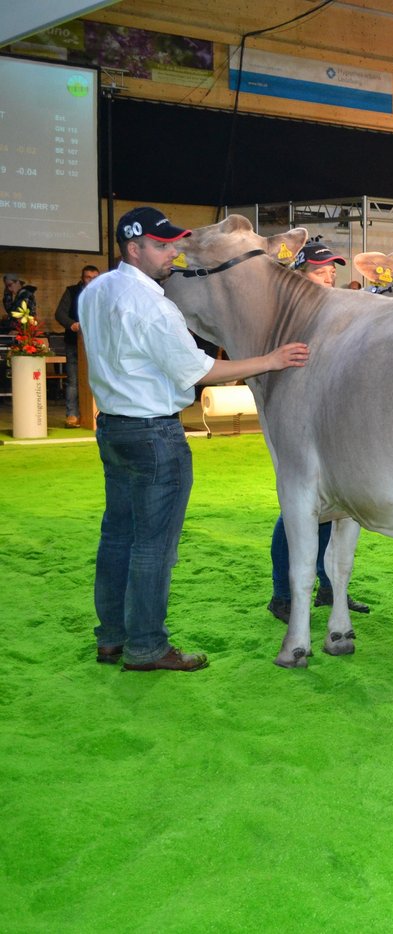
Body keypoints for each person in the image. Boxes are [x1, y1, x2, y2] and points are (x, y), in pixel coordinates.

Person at [84, 207, 309, 671]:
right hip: (153, 433)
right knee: (153, 547)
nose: (173, 254)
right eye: (162, 246)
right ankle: (146, 646)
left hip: (112, 427)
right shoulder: (153, 306)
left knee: (117, 536)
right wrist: (270, 360)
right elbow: (202, 371)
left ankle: (111, 638)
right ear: (134, 248)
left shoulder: (97, 290)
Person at [267, 241, 369, 623]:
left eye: (331, 268)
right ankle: (282, 593)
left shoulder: (338, 310)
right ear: (299, 274)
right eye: (319, 268)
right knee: (299, 508)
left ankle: (330, 588)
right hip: (300, 422)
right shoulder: (290, 317)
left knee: (333, 507)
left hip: (336, 421)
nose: (328, 274)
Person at [53, 264, 100, 427]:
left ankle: (99, 415)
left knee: (99, 379)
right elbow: (59, 314)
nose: (91, 280)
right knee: (73, 380)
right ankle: (72, 415)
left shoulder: (104, 293)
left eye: (95, 278)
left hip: (99, 346)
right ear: (82, 278)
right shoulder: (72, 291)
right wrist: (72, 324)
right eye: (88, 277)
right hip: (75, 343)